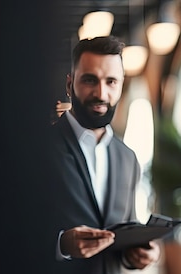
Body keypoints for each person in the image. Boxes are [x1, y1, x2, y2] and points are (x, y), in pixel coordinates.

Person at [48, 36, 160, 273]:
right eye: (90, 80)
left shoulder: (128, 158)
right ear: (70, 85)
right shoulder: (37, 149)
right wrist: (60, 245)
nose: (101, 93)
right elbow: (2, 231)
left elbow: (122, 236)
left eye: (111, 82)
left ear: (121, 85)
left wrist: (138, 255)